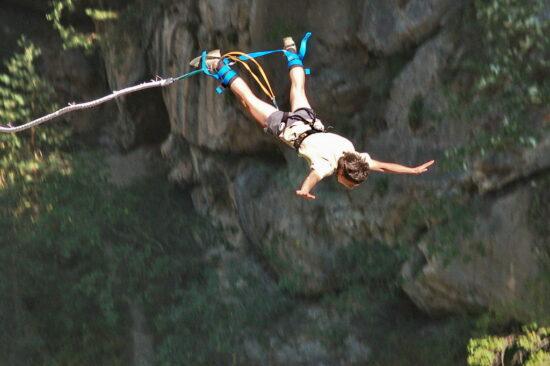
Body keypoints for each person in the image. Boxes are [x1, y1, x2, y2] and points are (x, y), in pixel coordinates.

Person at [191, 37, 435, 200]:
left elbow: (383, 166)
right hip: (287, 128)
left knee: (298, 88)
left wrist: (411, 171)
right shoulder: (327, 166)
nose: (348, 186)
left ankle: (291, 53)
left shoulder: (356, 157)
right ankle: (218, 64)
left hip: (310, 121)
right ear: (343, 173)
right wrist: (304, 190)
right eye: (348, 183)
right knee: (249, 100)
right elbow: (313, 177)